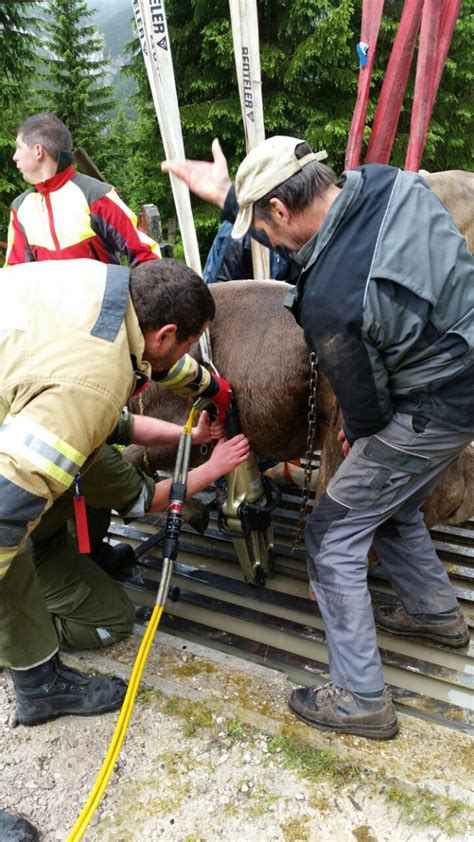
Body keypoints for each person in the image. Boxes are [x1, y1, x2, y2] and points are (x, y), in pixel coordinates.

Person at [162, 135, 474, 739]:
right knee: (389, 499)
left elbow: (364, 410)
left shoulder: (331, 301)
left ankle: (360, 697)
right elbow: (325, 235)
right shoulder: (388, 185)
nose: (268, 242)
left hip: (430, 409)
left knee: (332, 533)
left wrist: (357, 437)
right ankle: (436, 614)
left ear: (280, 210)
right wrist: (229, 197)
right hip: (462, 367)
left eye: (264, 226)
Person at [0, 257, 247, 730]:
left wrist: (210, 393)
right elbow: (8, 508)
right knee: (16, 543)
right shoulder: (83, 397)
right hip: (11, 481)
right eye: (187, 346)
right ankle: (37, 685)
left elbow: (125, 418)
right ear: (164, 334)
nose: (183, 356)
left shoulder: (106, 291)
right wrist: (212, 467)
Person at [3, 112, 230, 578]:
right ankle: (62, 553)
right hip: (72, 360)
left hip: (110, 332)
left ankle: (85, 547)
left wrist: (212, 390)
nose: (14, 156)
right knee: (79, 455)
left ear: (39, 151)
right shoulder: (21, 208)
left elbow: (148, 266)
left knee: (96, 443)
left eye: (18, 147)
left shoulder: (96, 197)